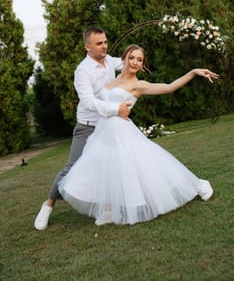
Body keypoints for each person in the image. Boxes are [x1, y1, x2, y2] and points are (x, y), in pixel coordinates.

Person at [58, 44, 219, 226]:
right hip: (104, 133)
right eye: (132, 57)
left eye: (139, 60)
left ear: (142, 65)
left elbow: (169, 87)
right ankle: (109, 211)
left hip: (122, 132)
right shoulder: (115, 78)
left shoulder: (138, 85)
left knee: (152, 166)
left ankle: (198, 185)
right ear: (124, 58)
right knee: (108, 168)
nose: (135, 62)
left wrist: (193, 72)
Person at [34, 27, 132, 230]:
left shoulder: (110, 61)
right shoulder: (83, 71)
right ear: (87, 47)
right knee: (71, 168)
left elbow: (128, 62)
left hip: (108, 126)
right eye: (99, 43)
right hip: (87, 128)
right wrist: (116, 109)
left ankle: (107, 210)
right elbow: (88, 102)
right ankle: (48, 205)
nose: (104, 46)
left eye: (105, 42)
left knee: (112, 166)